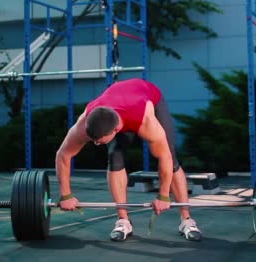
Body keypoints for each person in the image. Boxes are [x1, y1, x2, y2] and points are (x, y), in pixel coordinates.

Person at [55, 78, 202, 242]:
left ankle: (186, 220)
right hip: (119, 105)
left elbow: (164, 157)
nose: (95, 144)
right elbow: (63, 155)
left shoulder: (147, 122)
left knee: (171, 157)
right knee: (114, 158)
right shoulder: (85, 122)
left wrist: (163, 195)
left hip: (147, 98)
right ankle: (123, 220)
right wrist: (65, 195)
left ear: (116, 129)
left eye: (99, 140)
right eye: (93, 140)